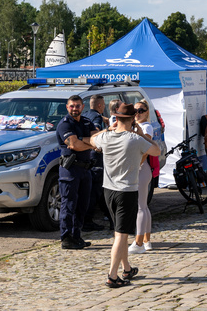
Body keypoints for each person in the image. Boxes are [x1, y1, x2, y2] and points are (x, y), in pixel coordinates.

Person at [89, 103, 161, 288]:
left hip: (108, 190)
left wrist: (108, 128)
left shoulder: (106, 136)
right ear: (131, 120)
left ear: (116, 118)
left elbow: (91, 140)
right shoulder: (135, 139)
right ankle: (112, 276)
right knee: (121, 235)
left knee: (118, 232)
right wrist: (139, 132)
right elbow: (156, 150)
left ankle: (126, 268)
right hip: (126, 191)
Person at [56, 95, 96, 250]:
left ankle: (76, 236)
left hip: (85, 169)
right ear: (67, 107)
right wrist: (90, 144)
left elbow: (97, 137)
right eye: (72, 106)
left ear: (83, 107)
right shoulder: (64, 124)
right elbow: (74, 145)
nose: (75, 109)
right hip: (70, 170)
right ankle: (66, 238)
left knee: (82, 205)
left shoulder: (87, 121)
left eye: (77, 106)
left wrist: (83, 140)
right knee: (69, 204)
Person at [128, 100, 157, 254]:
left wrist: (134, 164)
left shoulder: (146, 127)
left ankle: (139, 242)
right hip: (140, 167)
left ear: (147, 112)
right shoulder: (137, 127)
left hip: (140, 167)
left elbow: (144, 149)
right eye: (135, 110)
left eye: (141, 110)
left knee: (141, 206)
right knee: (143, 206)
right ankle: (146, 240)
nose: (137, 113)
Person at [82, 95, 107, 232]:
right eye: (103, 105)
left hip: (86, 155)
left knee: (91, 190)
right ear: (99, 106)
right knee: (94, 191)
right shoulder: (97, 117)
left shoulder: (86, 115)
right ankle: (88, 221)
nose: (104, 107)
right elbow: (96, 136)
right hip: (95, 157)